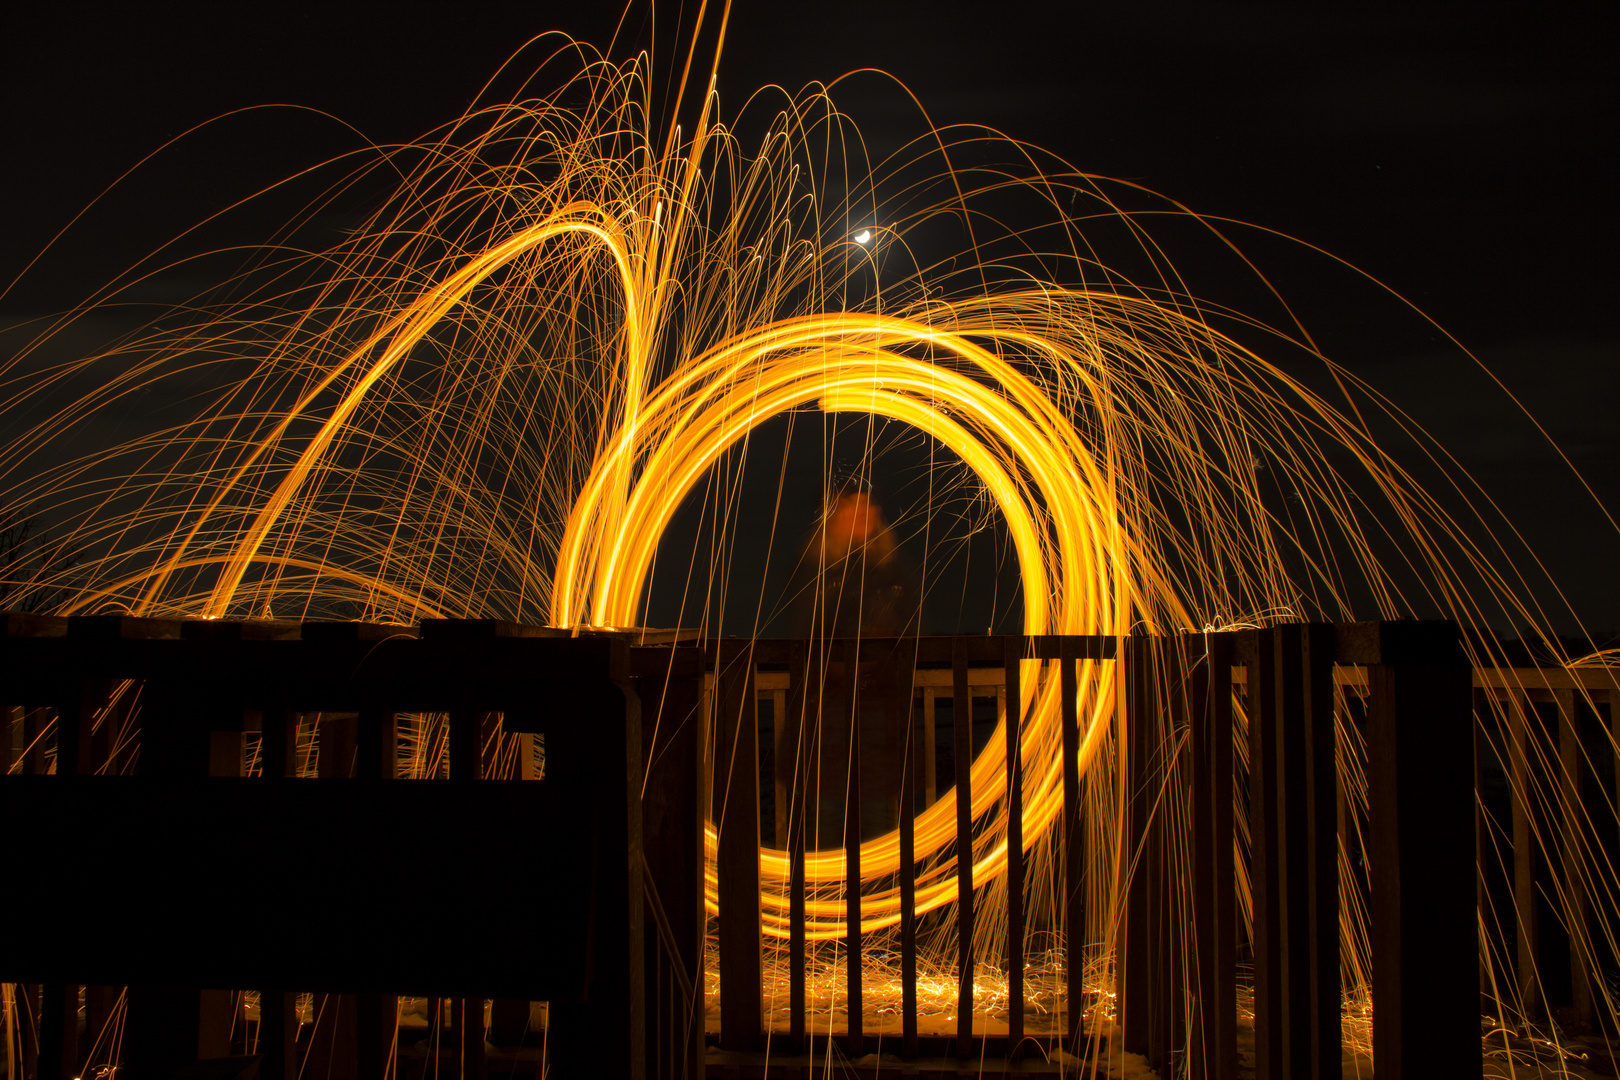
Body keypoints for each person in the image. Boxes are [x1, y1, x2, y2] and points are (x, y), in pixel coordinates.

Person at [781, 476, 921, 848]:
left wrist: (881, 648)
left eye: (869, 509)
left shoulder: (891, 571)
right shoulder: (814, 570)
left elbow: (910, 633)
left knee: (880, 840)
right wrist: (838, 662)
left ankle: (879, 904)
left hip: (879, 730)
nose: (864, 516)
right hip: (825, 727)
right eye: (854, 509)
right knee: (828, 836)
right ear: (834, 516)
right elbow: (801, 637)